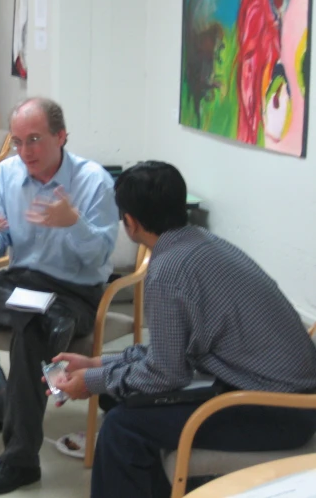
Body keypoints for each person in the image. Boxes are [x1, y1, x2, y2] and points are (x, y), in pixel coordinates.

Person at [51, 160, 316, 498]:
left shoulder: (168, 272)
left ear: (130, 223)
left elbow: (166, 374)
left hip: (276, 411)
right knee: (123, 400)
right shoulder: (203, 243)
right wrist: (99, 364)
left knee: (122, 429)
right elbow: (177, 350)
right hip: (283, 395)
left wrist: (90, 382)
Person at [0, 97, 119, 496]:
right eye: (17, 141)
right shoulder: (5, 174)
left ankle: (20, 462)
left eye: (34, 140)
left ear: (61, 136)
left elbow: (101, 256)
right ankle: (38, 320)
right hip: (19, 286)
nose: (25, 152)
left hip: (73, 293)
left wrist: (72, 224)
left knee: (31, 333)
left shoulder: (93, 181)